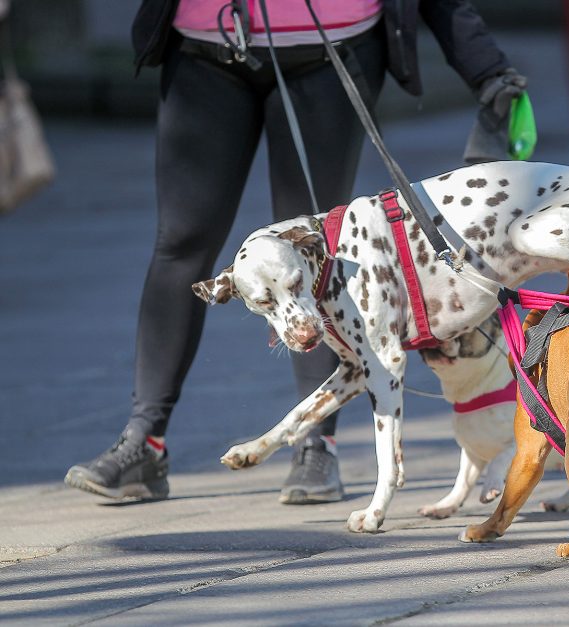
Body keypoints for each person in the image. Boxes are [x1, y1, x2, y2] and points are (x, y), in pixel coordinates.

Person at [64, 0, 525, 505]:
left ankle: (316, 445)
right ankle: (144, 440)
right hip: (202, 50)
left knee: (316, 257)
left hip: (330, 49)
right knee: (180, 242)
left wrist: (485, 67)